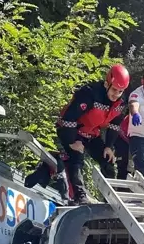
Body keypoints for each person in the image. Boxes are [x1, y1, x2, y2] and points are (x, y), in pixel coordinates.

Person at [54, 64, 130, 204]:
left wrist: (108, 146)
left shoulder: (121, 102)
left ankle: (111, 200)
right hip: (71, 129)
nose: (116, 94)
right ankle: (80, 196)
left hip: (91, 133)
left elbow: (114, 125)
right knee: (77, 158)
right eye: (114, 89)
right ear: (107, 83)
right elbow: (69, 117)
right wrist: (72, 141)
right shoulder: (89, 93)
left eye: (120, 91)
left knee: (107, 161)